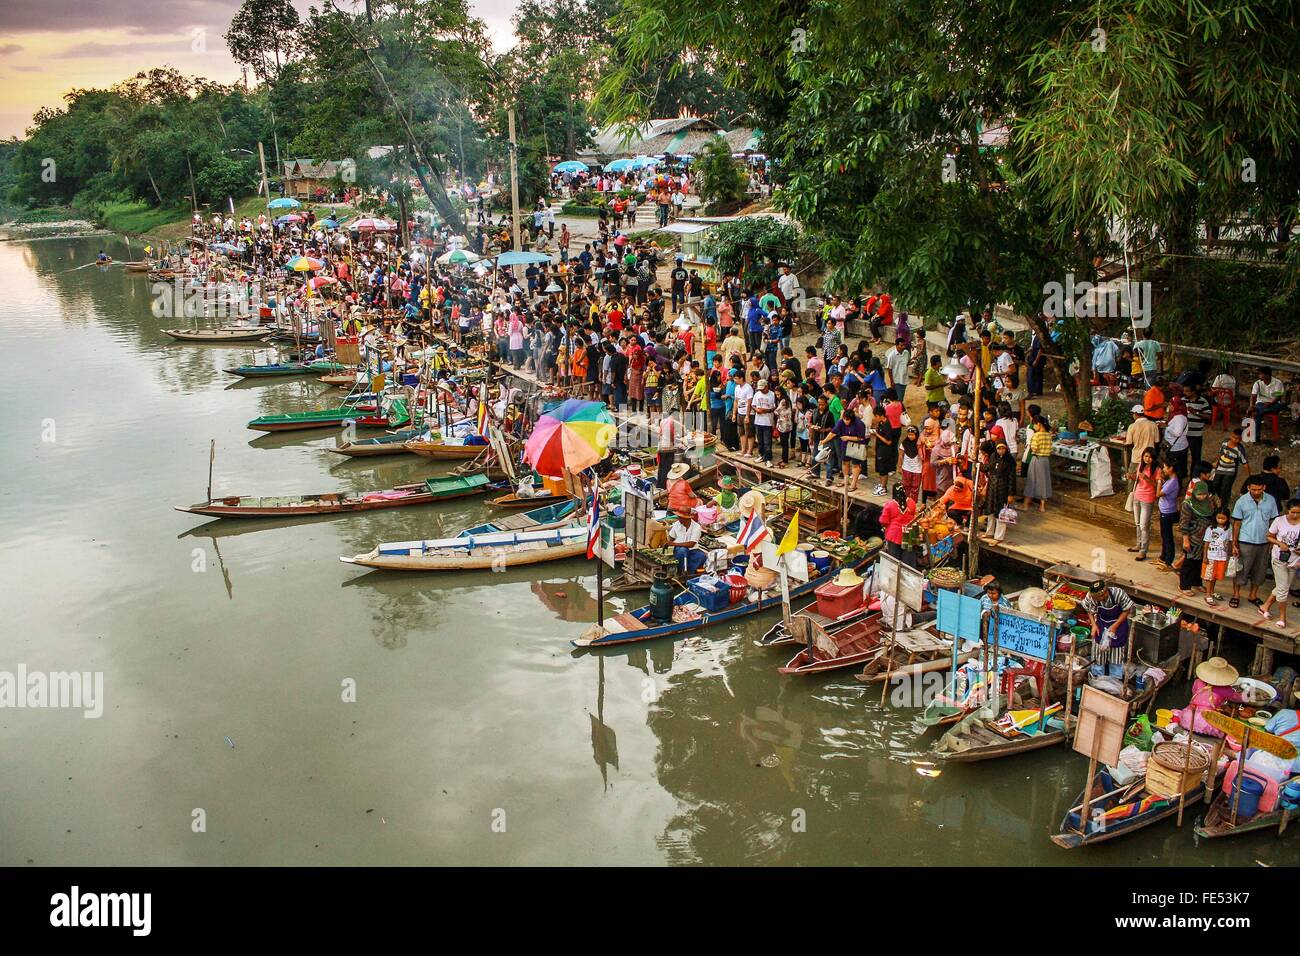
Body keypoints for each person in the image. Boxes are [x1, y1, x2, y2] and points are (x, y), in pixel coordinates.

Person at [1231, 475, 1280, 609]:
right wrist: (1234, 543)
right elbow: (1236, 523)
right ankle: (1236, 595)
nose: (1256, 492)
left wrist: (1272, 542)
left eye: (1259, 489)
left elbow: (1273, 522)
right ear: (1248, 488)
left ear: (1264, 488)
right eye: (1253, 490)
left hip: (1264, 542)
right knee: (1242, 570)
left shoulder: (1270, 500)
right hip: (1245, 541)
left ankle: (1253, 595)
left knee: (1260, 570)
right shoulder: (1241, 501)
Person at [1259, 498, 1300, 631]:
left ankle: (1265, 607)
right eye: (1293, 512)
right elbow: (1269, 536)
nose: (1295, 515)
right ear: (1288, 510)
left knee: (1283, 586)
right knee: (1283, 590)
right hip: (1279, 558)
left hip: (1294, 560)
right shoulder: (1279, 520)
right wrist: (1280, 543)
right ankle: (1283, 617)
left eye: (1298, 513)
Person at [1081, 579, 1135, 679]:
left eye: (1102, 596)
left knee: (1116, 654)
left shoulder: (1118, 593)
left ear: (1106, 591)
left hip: (1119, 624)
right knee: (1098, 652)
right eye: (1097, 598)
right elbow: (1089, 610)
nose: (1100, 599)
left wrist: (1115, 626)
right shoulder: (1091, 597)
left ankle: (1115, 680)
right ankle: (1097, 678)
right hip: (1101, 623)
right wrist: (1093, 625)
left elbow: (1127, 609)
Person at [1126, 447, 1160, 561]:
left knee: (1144, 525)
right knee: (1137, 523)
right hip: (1137, 495)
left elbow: (1157, 485)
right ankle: (1139, 544)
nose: (1147, 459)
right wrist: (1132, 476)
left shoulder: (1157, 469)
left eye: (1150, 457)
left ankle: (1143, 550)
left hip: (1148, 498)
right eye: (1145, 456)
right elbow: (1138, 478)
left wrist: (1147, 478)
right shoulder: (1141, 465)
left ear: (1153, 458)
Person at [1021, 416, 1054, 512]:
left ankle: (1025, 505)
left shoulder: (1036, 435)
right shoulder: (1048, 434)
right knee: (1044, 482)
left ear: (1038, 424)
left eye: (1034, 424)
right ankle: (1042, 506)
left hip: (1036, 459)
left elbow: (1034, 448)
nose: (1034, 427)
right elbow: (1051, 449)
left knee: (1031, 481)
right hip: (1045, 460)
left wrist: (1030, 444)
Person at [1202, 508, 1233, 605]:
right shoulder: (1211, 528)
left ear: (1227, 518)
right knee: (1209, 576)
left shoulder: (1229, 528)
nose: (1220, 520)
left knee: (1215, 576)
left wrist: (1230, 553)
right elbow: (1206, 543)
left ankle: (1212, 591)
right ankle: (1207, 594)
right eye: (1218, 518)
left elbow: (1230, 541)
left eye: (1223, 518)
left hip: (1222, 556)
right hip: (1211, 556)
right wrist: (1205, 557)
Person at [834, 405, 868, 491]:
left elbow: (861, 438)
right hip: (845, 445)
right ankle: (846, 480)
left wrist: (848, 437)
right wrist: (824, 440)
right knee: (845, 462)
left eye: (847, 420)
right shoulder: (842, 421)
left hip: (857, 445)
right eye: (844, 419)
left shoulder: (860, 424)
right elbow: (834, 431)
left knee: (855, 464)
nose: (846, 421)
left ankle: (854, 483)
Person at [1212, 427, 1250, 503]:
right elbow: (1220, 453)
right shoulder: (1224, 442)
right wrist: (1216, 462)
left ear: (1241, 440)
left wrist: (1249, 476)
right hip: (1220, 468)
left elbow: (1245, 463)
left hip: (1230, 472)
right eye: (1233, 437)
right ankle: (1218, 498)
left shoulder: (1239, 449)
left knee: (1225, 488)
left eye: (1237, 438)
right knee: (1215, 485)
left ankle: (1223, 503)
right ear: (1231, 435)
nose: (1234, 440)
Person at [879, 484, 916, 563]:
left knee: (894, 559)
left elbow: (883, 521)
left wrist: (885, 528)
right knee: (908, 559)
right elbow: (914, 517)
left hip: (894, 534)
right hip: (909, 533)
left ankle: (894, 574)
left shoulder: (889, 505)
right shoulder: (912, 502)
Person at [1155, 460, 1180, 570]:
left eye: (1165, 467)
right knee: (1164, 535)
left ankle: (1168, 560)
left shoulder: (1173, 482)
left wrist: (1159, 481)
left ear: (1171, 469)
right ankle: (1163, 557)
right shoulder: (1171, 480)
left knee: (1167, 537)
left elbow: (1158, 494)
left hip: (1168, 512)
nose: (1164, 469)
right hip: (1165, 510)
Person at [1250, 366, 1287, 437]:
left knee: (1283, 404)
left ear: (1267, 375)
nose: (1258, 376)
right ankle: (1256, 437)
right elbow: (1253, 396)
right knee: (1258, 411)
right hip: (1261, 404)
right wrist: (1251, 406)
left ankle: (1260, 411)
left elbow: (1278, 396)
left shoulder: (1278, 383)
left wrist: (1271, 403)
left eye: (1260, 374)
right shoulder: (1257, 383)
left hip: (1273, 404)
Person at [669, 509, 706, 575]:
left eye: (680, 517)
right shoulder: (677, 524)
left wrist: (674, 543)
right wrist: (669, 543)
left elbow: (691, 544)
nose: (678, 519)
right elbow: (671, 537)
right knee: (683, 551)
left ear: (686, 518)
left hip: (692, 549)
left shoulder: (696, 527)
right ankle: (680, 570)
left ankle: (689, 572)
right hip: (679, 549)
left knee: (701, 556)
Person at [751, 378, 777, 465]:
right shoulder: (757, 394)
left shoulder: (772, 395)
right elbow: (753, 405)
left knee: (767, 441)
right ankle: (761, 455)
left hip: (768, 421)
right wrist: (756, 410)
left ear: (767, 387)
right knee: (760, 440)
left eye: (763, 388)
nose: (761, 390)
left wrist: (766, 410)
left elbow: (774, 407)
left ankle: (768, 458)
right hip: (758, 421)